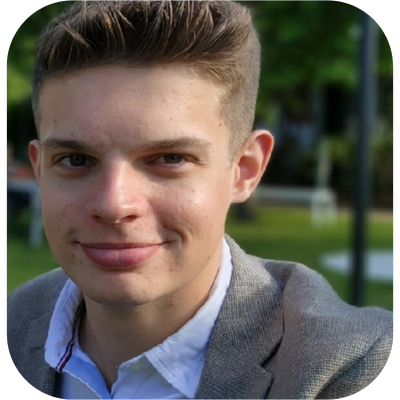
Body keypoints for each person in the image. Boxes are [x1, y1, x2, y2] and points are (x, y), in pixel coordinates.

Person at [7, 1, 392, 399]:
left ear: (245, 169)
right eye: (75, 160)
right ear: (40, 169)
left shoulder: (351, 365)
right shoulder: (16, 320)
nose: (114, 204)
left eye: (170, 159)